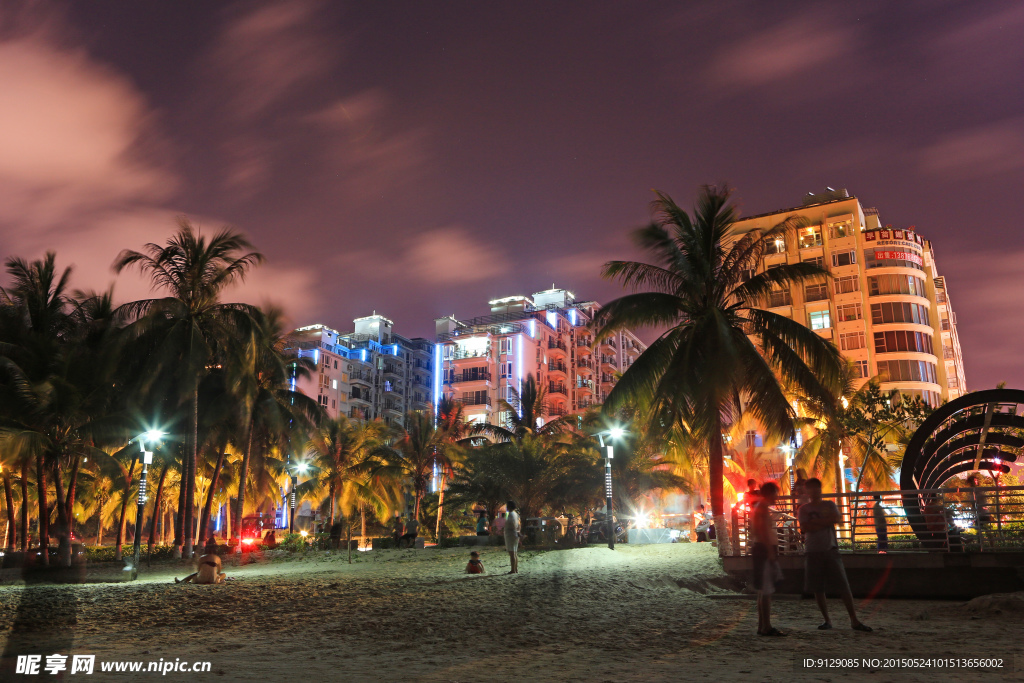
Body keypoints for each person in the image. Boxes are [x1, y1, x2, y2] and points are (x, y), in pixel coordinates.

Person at [798, 478, 871, 632]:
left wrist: (815, 524)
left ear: (819, 489)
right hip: (813, 551)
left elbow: (835, 519)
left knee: (843, 586)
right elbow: (805, 527)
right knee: (818, 588)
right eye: (811, 489)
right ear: (807, 491)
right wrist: (825, 521)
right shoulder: (804, 509)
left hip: (830, 549)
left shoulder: (828, 504)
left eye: (816, 488)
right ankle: (828, 620)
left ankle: (853, 619)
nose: (814, 491)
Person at [750, 482, 784, 636]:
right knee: (766, 590)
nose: (777, 497)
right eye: (776, 493)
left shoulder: (760, 507)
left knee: (763, 590)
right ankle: (766, 626)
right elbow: (762, 530)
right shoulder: (762, 508)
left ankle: (762, 625)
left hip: (761, 548)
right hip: (764, 549)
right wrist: (770, 551)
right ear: (770, 493)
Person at [504, 500, 522, 574]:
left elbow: (511, 525)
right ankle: (515, 569)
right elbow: (519, 525)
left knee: (512, 553)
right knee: (515, 553)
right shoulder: (516, 514)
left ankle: (513, 570)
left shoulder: (511, 514)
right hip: (515, 534)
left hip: (510, 534)